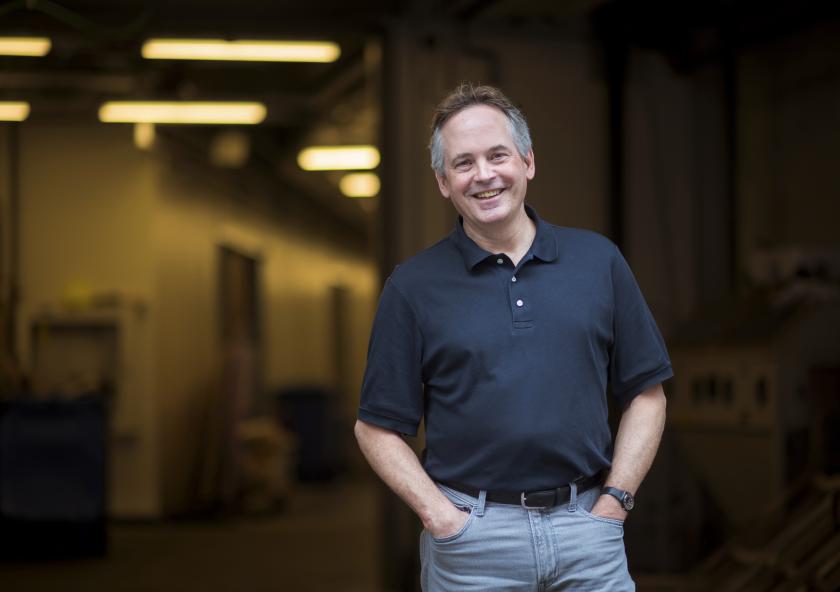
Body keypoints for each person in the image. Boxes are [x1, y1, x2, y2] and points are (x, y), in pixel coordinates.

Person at [354, 83, 671, 591]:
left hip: (588, 532)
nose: (483, 175)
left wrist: (616, 503)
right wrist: (442, 518)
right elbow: (375, 428)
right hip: (472, 546)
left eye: (497, 155)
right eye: (463, 163)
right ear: (442, 182)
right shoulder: (413, 287)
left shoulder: (599, 262)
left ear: (527, 162)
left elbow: (647, 394)